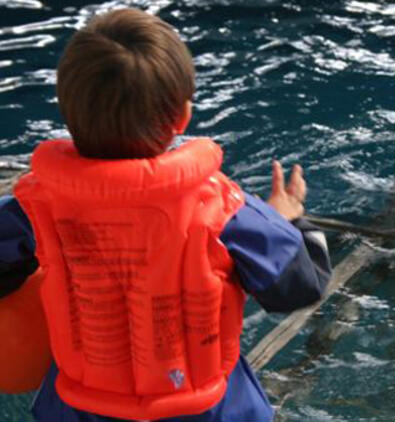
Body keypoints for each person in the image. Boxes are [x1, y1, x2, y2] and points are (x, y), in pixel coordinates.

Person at [0, 8, 331, 422]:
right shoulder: (223, 208)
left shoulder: (36, 206)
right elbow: (300, 287)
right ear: (182, 117)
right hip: (209, 412)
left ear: (67, 114)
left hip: (77, 410)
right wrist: (285, 220)